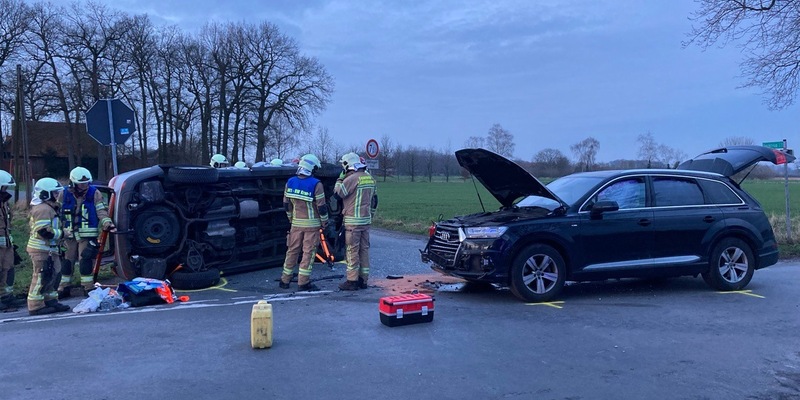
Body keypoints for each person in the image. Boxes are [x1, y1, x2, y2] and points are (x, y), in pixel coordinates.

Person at [57, 167, 115, 298]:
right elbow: (56, 211)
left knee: (86, 260)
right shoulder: (64, 193)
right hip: (68, 235)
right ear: (73, 182)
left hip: (87, 235)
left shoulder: (95, 193)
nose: (84, 185)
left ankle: (88, 288)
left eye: (87, 183)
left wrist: (107, 223)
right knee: (67, 261)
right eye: (81, 183)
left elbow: (101, 211)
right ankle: (64, 287)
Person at [278, 154, 329, 291]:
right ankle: (303, 282)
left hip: (296, 224)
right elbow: (322, 207)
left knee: (292, 251)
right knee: (308, 253)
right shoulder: (316, 184)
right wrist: (325, 222)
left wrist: (291, 218)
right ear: (312, 168)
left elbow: (286, 204)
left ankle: (284, 280)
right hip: (312, 225)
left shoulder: (290, 182)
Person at [333, 152, 378, 290]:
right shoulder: (369, 178)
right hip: (365, 221)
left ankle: (352, 281)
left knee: (352, 251)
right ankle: (363, 280)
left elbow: (337, 194)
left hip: (353, 222)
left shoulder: (352, 179)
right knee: (364, 250)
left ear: (347, 165)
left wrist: (340, 179)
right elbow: (374, 200)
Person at [27, 177, 70, 315]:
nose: (57, 195)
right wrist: (63, 233)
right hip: (41, 250)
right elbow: (44, 231)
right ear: (45, 194)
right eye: (55, 193)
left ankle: (50, 300)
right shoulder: (43, 209)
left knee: (54, 274)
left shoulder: (50, 207)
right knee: (41, 276)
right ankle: (35, 306)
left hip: (50, 250)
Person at [0, 170, 20, 311]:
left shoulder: (4, 203)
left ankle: (5, 297)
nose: (6, 191)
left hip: (6, 243)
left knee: (7, 268)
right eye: (4, 187)